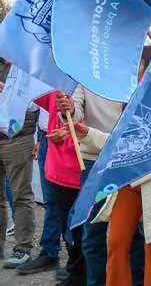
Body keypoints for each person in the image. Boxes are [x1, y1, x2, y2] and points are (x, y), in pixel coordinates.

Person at [77, 46, 151, 286]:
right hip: (127, 183)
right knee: (116, 243)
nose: (133, 69)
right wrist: (87, 133)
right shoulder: (129, 100)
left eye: (138, 64)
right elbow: (119, 146)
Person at [55, 81, 145, 286]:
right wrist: (67, 108)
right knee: (92, 231)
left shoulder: (133, 68)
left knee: (133, 231)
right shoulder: (87, 74)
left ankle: (137, 280)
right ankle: (96, 281)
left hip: (128, 160)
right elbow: (74, 114)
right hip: (94, 161)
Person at [33, 91, 84, 286]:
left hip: (82, 170)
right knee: (68, 227)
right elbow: (33, 90)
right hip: (59, 171)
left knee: (84, 229)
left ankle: (83, 272)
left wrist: (68, 131)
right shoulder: (55, 89)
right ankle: (75, 270)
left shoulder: (94, 84)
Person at [16, 106, 67, 275]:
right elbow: (36, 107)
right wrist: (39, 138)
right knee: (51, 201)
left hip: (68, 133)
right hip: (47, 136)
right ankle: (50, 253)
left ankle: (77, 262)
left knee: (69, 202)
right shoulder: (44, 79)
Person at [0, 62, 38, 267]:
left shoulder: (26, 63)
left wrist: (7, 93)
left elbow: (37, 103)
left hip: (18, 137)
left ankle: (23, 248)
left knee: (21, 194)